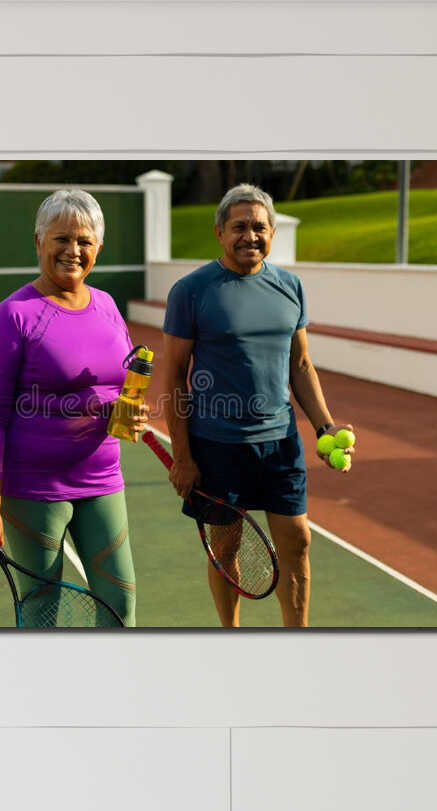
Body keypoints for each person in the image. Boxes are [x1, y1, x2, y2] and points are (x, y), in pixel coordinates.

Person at [153, 183, 352, 628]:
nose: (250, 236)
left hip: (281, 444)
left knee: (298, 541)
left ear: (272, 233)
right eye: (239, 227)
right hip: (216, 446)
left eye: (259, 228)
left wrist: (325, 428)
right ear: (220, 233)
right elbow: (175, 377)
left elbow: (300, 364)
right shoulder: (191, 291)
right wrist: (183, 457)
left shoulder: (290, 287)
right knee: (226, 549)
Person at [0, 188, 143, 626]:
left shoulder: (107, 306)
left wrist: (126, 412)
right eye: (61, 238)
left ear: (99, 247)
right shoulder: (13, 316)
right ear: (39, 241)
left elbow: (115, 385)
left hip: (102, 479)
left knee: (120, 604)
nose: (72, 250)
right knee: (42, 611)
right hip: (34, 488)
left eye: (84, 241)